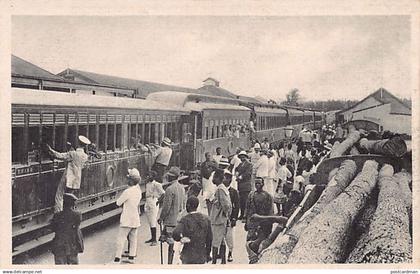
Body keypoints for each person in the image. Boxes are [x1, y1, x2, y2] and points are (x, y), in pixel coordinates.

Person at [47, 135, 89, 213]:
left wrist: (50, 150)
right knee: (69, 197)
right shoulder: (85, 156)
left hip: (68, 178)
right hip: (76, 180)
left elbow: (59, 155)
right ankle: (68, 213)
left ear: (78, 144)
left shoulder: (72, 153)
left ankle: (59, 214)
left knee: (59, 195)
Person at [158, 167, 187, 264]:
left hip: (170, 221)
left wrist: (161, 218)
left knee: (171, 245)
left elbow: (166, 207)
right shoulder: (182, 188)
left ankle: (169, 264)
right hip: (179, 220)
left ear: (172, 177)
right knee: (177, 244)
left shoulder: (169, 189)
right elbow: (183, 204)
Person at [113, 168, 142, 264]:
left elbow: (118, 202)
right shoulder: (138, 191)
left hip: (127, 218)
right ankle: (131, 257)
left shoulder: (127, 191)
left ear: (130, 181)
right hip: (135, 218)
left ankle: (117, 258)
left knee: (121, 238)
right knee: (133, 238)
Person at [172, 196, 212, 264]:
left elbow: (175, 233)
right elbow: (209, 239)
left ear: (188, 205)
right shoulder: (206, 219)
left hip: (188, 254)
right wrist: (207, 254)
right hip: (201, 254)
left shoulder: (185, 219)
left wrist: (181, 239)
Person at [50, 193, 83, 265]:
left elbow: (53, 228)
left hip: (59, 244)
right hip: (72, 244)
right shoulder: (77, 215)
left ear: (63, 204)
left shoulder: (57, 215)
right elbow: (77, 225)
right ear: (73, 204)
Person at [209, 168, 232, 264]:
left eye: (214, 177)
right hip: (222, 219)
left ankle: (214, 262)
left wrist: (225, 214)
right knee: (221, 241)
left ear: (219, 178)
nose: (213, 179)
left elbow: (226, 205)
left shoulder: (220, 189)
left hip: (218, 220)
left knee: (215, 242)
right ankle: (223, 261)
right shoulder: (223, 188)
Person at [244, 177, 274, 242]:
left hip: (263, 222)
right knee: (250, 240)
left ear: (263, 184)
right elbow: (247, 207)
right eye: (256, 183)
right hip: (252, 223)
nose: (257, 185)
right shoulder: (251, 195)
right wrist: (245, 219)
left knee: (262, 241)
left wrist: (269, 223)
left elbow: (270, 211)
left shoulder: (268, 196)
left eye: (259, 183)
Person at [144, 170, 165, 246]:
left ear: (153, 176)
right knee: (150, 220)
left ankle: (154, 240)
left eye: (149, 175)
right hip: (148, 201)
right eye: (147, 175)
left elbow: (163, 194)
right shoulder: (147, 184)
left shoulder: (157, 184)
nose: (147, 177)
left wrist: (158, 201)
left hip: (153, 200)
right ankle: (152, 238)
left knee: (153, 220)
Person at [224, 171, 239, 263]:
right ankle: (220, 253)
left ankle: (230, 253)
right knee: (220, 236)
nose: (223, 180)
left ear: (229, 180)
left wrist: (234, 218)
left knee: (229, 237)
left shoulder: (234, 192)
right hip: (221, 218)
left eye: (225, 178)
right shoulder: (220, 190)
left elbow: (237, 206)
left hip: (230, 218)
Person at [235, 151, 253, 221]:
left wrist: (240, 177)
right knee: (241, 201)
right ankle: (242, 214)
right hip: (240, 185)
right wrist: (236, 172)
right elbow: (236, 169)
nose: (242, 158)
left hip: (246, 185)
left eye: (243, 156)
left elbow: (248, 173)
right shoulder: (240, 164)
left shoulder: (249, 164)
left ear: (246, 157)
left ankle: (246, 216)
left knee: (246, 201)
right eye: (241, 157)